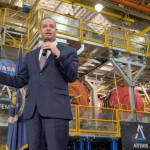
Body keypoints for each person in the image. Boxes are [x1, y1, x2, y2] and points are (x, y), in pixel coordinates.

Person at [0, 17, 78, 150]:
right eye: (44, 26)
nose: (48, 28)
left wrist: (58, 54)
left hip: (56, 112)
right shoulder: (30, 56)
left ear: (56, 30)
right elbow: (19, 81)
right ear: (41, 31)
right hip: (33, 114)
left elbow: (72, 76)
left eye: (51, 26)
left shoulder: (68, 51)